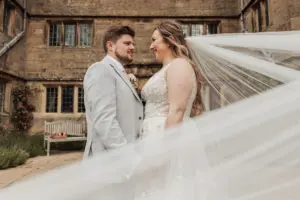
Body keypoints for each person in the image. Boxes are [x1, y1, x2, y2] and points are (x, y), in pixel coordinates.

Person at [83, 25, 144, 158]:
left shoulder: (120, 73)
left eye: (133, 44)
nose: (133, 47)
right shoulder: (101, 69)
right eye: (127, 43)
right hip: (110, 162)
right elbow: (105, 120)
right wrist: (128, 157)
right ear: (110, 46)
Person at [140, 20, 203, 138]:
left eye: (154, 40)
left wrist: (167, 149)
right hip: (153, 136)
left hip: (169, 137)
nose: (151, 46)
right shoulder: (166, 69)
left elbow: (177, 110)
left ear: (170, 41)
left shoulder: (179, 65)